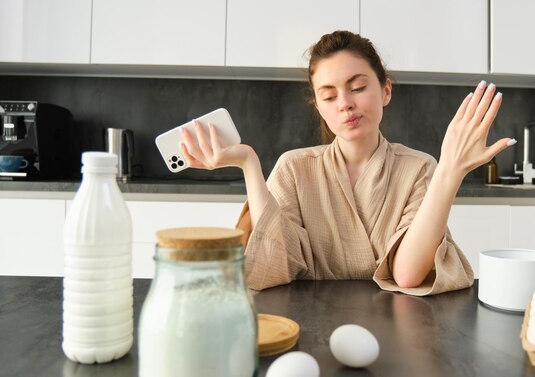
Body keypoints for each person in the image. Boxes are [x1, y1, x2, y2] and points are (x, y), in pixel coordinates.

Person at [180, 30, 516, 296]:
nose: (345, 104)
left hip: (401, 329)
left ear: (385, 90)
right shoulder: (295, 168)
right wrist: (248, 163)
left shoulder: (419, 168)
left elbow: (407, 274)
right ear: (318, 106)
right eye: (329, 96)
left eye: (357, 87)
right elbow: (271, 266)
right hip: (306, 323)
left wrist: (449, 171)